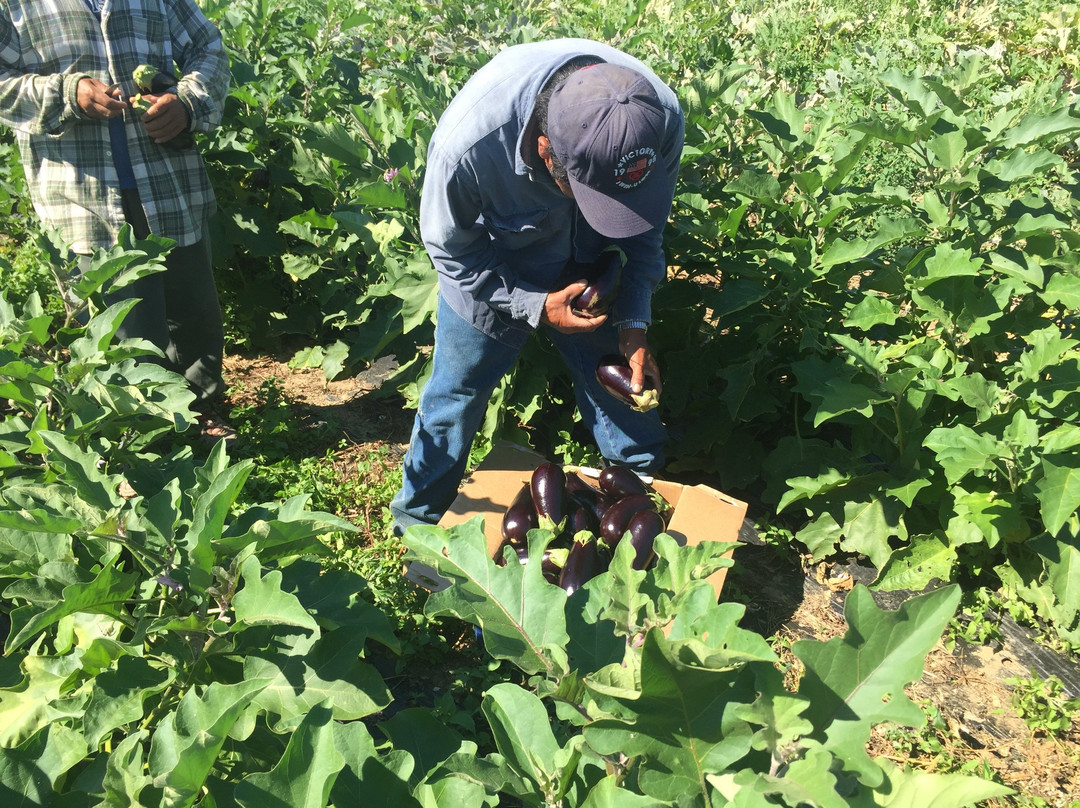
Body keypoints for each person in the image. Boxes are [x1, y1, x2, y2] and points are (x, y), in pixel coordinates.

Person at [390, 38, 685, 535]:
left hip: (592, 259)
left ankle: (638, 495)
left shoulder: (655, 119)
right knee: (455, 395)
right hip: (494, 263)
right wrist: (532, 303)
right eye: (592, 192)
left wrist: (634, 321)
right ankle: (417, 526)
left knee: (615, 374)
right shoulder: (469, 145)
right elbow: (451, 251)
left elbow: (645, 233)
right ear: (545, 152)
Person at [0, 0, 234, 440]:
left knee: (193, 309)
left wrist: (186, 102)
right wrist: (68, 94)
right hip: (80, 195)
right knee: (124, 330)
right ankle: (138, 439)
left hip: (168, 182)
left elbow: (208, 47)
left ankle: (201, 413)